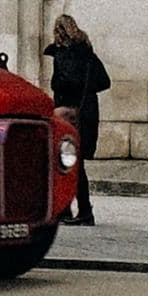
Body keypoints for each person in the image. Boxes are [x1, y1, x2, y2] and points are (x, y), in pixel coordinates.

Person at [45, 14, 110, 225]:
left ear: (59, 32)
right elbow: (104, 81)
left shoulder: (64, 54)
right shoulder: (88, 54)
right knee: (75, 162)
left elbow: (63, 83)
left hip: (69, 115)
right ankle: (80, 210)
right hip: (88, 112)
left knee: (66, 162)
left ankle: (75, 211)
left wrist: (65, 97)